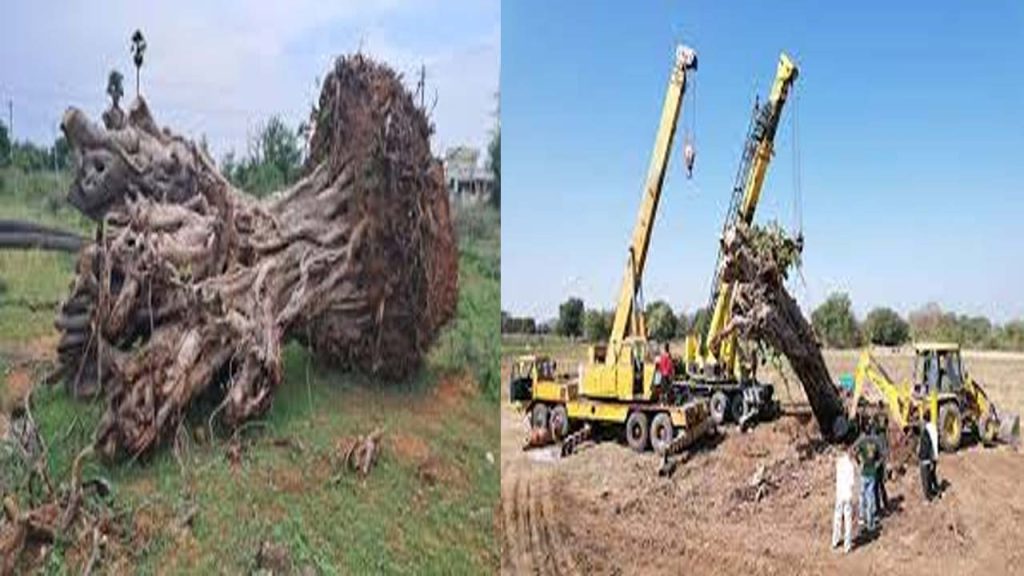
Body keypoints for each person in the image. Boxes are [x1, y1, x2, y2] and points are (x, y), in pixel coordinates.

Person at [831, 448, 856, 553]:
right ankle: (847, 545)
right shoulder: (851, 466)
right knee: (848, 520)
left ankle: (835, 541)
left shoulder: (839, 463)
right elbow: (852, 483)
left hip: (839, 494)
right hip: (848, 495)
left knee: (837, 518)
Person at [854, 433, 879, 533]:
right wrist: (876, 465)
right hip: (872, 473)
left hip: (864, 473)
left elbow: (855, 452)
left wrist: (859, 462)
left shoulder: (862, 442)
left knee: (862, 496)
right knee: (870, 497)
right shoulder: (875, 443)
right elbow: (879, 457)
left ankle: (861, 518)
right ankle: (870, 522)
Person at [870, 417, 890, 514]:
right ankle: (881, 507)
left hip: (877, 465)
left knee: (878, 487)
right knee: (878, 487)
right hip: (877, 464)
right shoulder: (880, 435)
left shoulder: (878, 435)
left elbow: (884, 451)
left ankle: (881, 507)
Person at [918, 419, 940, 500]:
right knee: (931, 475)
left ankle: (929, 496)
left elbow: (927, 447)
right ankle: (934, 491)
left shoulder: (926, 434)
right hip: (932, 457)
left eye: (921, 424)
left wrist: (926, 459)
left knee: (926, 479)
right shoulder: (932, 429)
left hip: (927, 459)